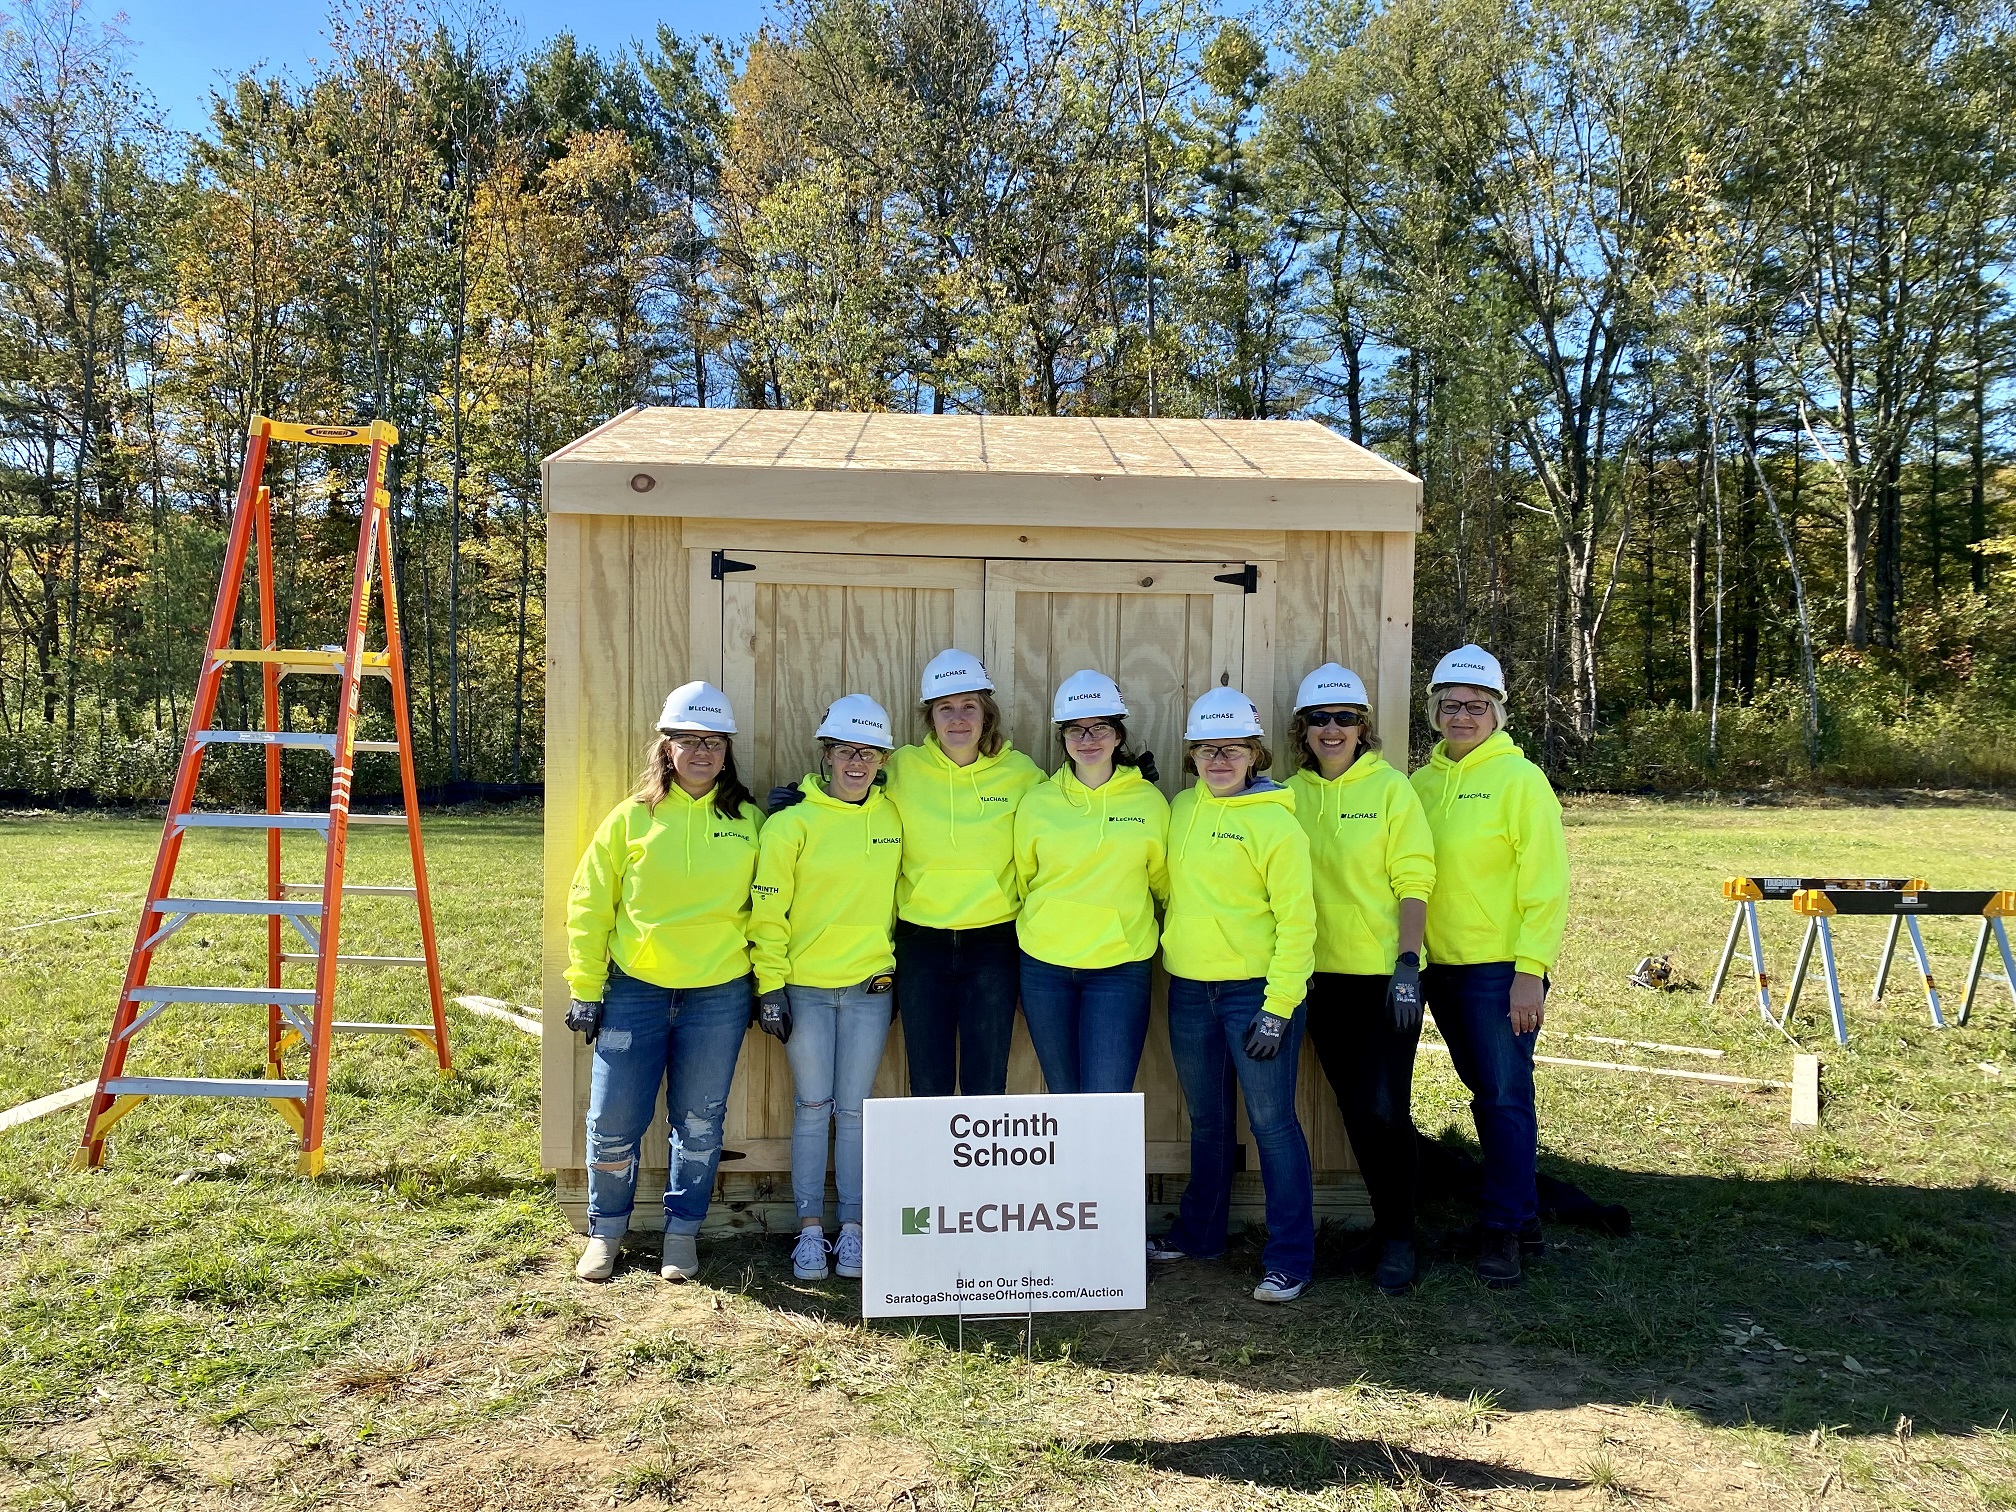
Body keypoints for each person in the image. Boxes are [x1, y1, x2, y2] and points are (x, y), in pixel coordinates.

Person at [564, 681, 763, 1284]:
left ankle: (682, 1235)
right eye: (687, 741)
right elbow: (590, 905)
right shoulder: (630, 821)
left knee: (699, 1122)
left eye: (713, 741)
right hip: (635, 991)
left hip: (719, 993)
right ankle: (606, 1233)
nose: (701, 752)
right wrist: (585, 987)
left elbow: (770, 906)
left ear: (726, 750)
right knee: (614, 1117)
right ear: (665, 747)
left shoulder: (751, 822)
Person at [1150, 687, 1318, 1303]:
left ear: (1255, 755)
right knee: (1208, 1120)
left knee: (1272, 1124)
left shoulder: (1277, 823)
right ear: (1191, 756)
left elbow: (1299, 923)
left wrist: (1278, 1009)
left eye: (1233, 749)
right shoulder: (1180, 808)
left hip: (1255, 994)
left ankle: (1291, 1257)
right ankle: (1201, 1234)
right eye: (1206, 749)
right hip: (1191, 987)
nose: (1219, 760)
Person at [1409, 644, 1569, 1288]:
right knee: (1488, 1096)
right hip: (1438, 968)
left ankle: (1502, 1230)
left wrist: (1530, 970)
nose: (1462, 716)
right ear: (1434, 712)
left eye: (1476, 705)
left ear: (1497, 711)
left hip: (1499, 972)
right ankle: (1521, 1216)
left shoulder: (1521, 781)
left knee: (1502, 1098)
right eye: (1450, 706)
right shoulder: (1421, 785)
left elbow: (1545, 885)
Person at [1286, 662, 1436, 1295]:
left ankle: (1402, 1237)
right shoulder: (1287, 794)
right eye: (1319, 719)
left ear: (1362, 726)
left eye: (1344, 719)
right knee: (1353, 1108)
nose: (1331, 729)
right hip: (1321, 979)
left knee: (1383, 1108)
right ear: (1304, 729)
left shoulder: (1390, 790)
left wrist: (1407, 964)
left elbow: (1415, 876)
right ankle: (1385, 1226)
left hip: (1383, 979)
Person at [749, 695, 904, 1284]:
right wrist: (771, 986)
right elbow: (768, 913)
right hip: (806, 991)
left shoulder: (892, 818)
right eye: (845, 751)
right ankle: (811, 1232)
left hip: (869, 987)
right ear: (826, 755)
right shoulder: (791, 825)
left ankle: (855, 1230)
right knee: (813, 1110)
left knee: (855, 1113)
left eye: (867, 752)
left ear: (883, 758)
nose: (856, 762)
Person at [882, 650, 1042, 1096]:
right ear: (929, 716)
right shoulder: (899, 768)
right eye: (944, 708)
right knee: (927, 1081)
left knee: (987, 1081)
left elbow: (1067, 817)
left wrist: (1131, 782)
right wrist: (801, 794)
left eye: (968, 706)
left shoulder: (1022, 774)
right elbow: (845, 790)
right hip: (921, 943)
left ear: (986, 714)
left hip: (993, 944)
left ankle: (983, 1168)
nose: (957, 718)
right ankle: (931, 1168)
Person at [1012, 670, 1169, 1094]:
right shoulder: (1037, 802)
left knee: (1107, 1101)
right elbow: (1025, 880)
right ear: (1062, 739)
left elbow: (1164, 885)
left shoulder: (1149, 804)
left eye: (1100, 727)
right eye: (1075, 730)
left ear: (1118, 735)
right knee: (1064, 1102)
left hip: (1120, 968)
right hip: (1045, 967)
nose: (1088, 739)